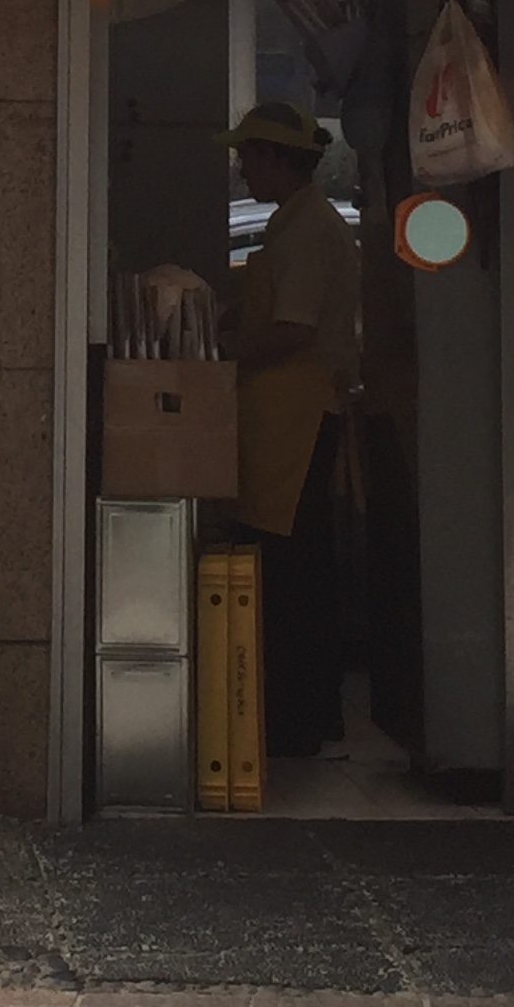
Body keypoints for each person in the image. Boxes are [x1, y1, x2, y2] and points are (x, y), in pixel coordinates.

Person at [222, 98, 359, 761]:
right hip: (280, 420)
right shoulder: (293, 224)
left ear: (276, 159)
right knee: (291, 569)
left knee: (294, 575)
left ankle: (299, 721)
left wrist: (225, 356)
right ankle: (307, 714)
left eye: (247, 156)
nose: (242, 169)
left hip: (298, 422)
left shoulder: (307, 231)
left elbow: (293, 331)